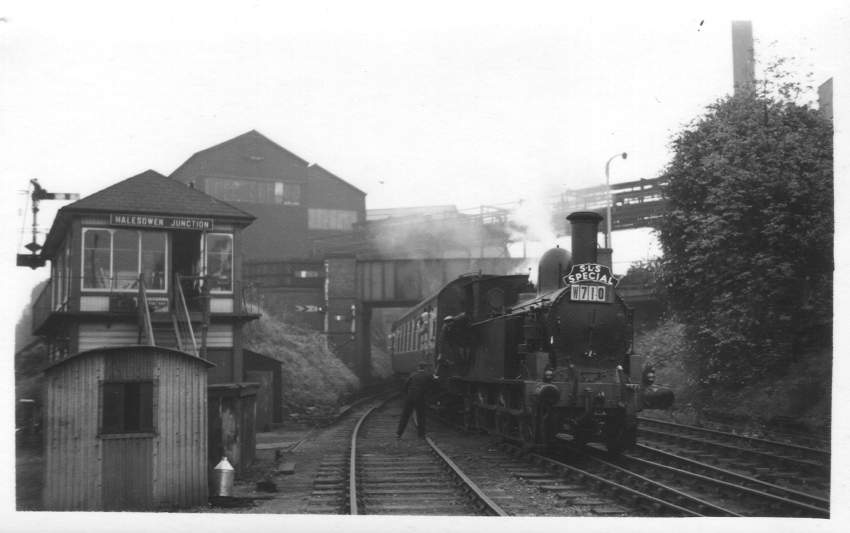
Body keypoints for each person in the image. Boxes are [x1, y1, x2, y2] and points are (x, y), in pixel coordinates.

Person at [396, 362, 436, 438]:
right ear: (425, 368)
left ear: (418, 368)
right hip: (420, 398)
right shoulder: (428, 375)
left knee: (405, 415)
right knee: (421, 416)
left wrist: (407, 395)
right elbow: (434, 384)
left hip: (410, 397)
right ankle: (421, 434)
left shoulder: (412, 375)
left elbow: (405, 385)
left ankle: (399, 433)